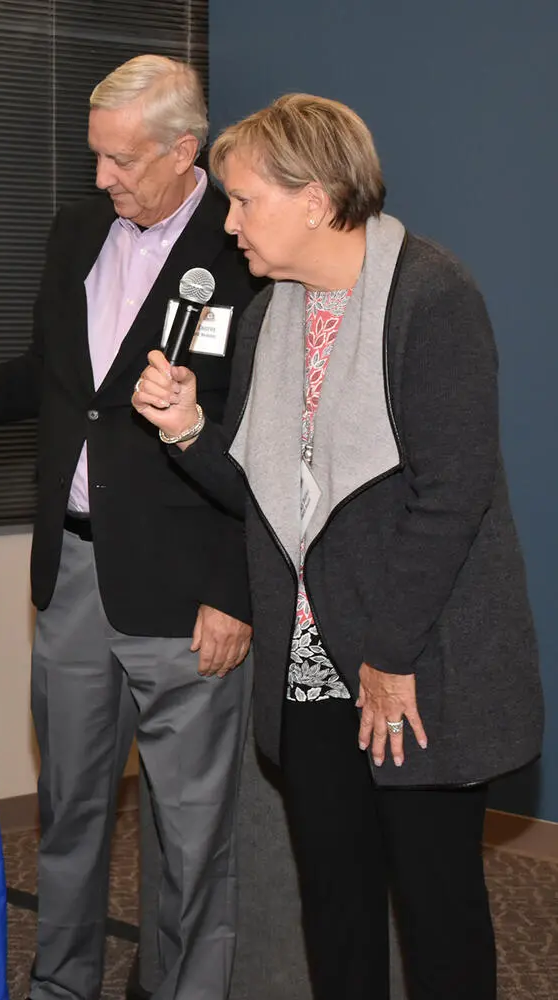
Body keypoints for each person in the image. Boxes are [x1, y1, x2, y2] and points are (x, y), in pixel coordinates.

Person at [133, 93, 543, 1000]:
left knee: (438, 914)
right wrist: (188, 428)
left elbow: (453, 498)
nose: (228, 221)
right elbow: (266, 501)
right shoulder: (269, 313)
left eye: (242, 200)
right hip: (312, 669)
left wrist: (390, 658)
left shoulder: (433, 297)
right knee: (338, 907)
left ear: (315, 199)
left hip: (415, 666)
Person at [0, 54, 259, 1000]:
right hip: (70, 576)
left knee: (191, 832)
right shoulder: (77, 231)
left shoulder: (246, 248)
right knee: (68, 811)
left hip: (189, 594)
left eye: (122, 161)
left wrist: (236, 587)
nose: (101, 179)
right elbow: (69, 389)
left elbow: (263, 442)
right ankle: (64, 982)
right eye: (96, 158)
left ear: (186, 152)